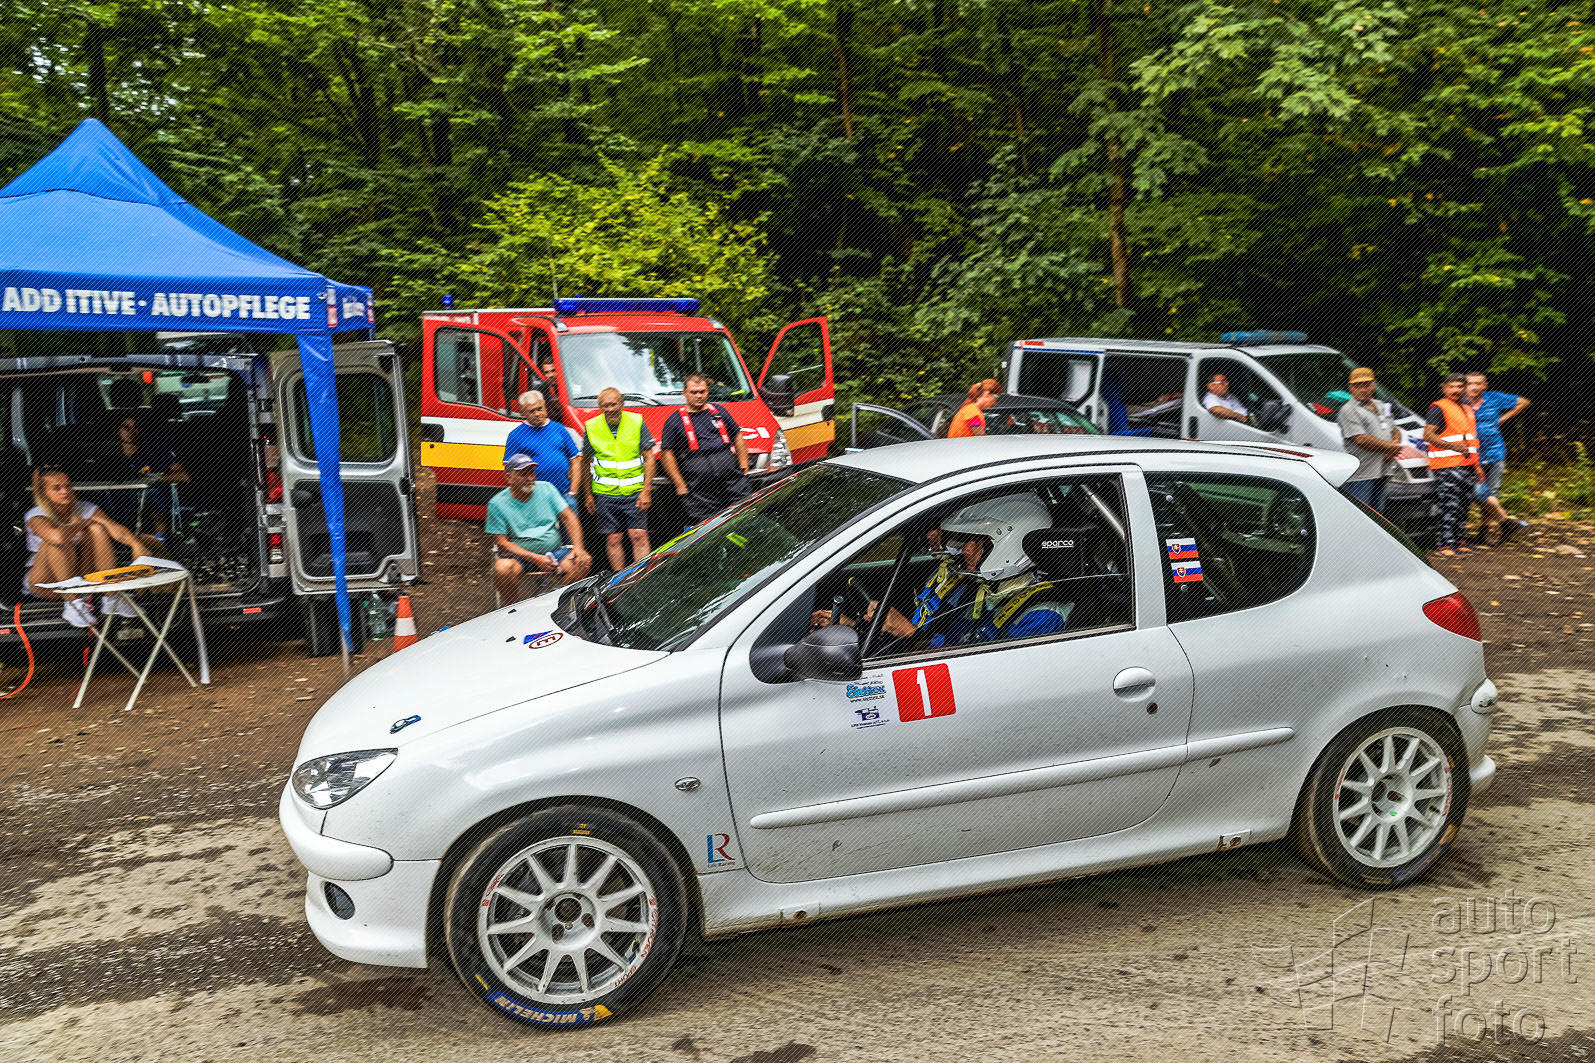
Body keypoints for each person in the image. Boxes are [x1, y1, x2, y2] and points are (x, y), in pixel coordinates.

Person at [811, 494, 1071, 650]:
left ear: (1011, 544)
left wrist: (909, 633)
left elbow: (983, 682)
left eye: (977, 541)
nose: (965, 550)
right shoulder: (974, 588)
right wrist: (856, 630)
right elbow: (939, 642)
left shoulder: (1041, 615)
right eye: (965, 539)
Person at [24, 466, 147, 627]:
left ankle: (111, 597)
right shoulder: (36, 514)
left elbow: (113, 528)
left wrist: (136, 544)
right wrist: (83, 522)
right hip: (45, 582)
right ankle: (73, 605)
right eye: (57, 488)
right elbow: (57, 537)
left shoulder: (84, 507)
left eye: (68, 486)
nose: (65, 491)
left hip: (79, 576)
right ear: (43, 492)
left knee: (97, 528)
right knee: (57, 540)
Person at [486, 454, 591, 603]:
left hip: (554, 553)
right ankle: (514, 609)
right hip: (521, 558)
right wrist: (536, 558)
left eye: (532, 473)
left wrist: (578, 548)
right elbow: (501, 543)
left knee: (583, 561)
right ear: (509, 478)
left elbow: (569, 517)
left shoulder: (547, 488)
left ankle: (555, 603)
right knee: (502, 568)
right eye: (523, 474)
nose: (530, 478)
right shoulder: (497, 503)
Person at [579, 387, 657, 571]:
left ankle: (641, 577)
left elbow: (649, 457)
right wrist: (588, 495)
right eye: (605, 405)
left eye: (613, 404)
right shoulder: (591, 426)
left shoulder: (636, 421)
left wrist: (646, 490)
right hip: (605, 494)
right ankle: (619, 580)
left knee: (639, 535)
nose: (610, 409)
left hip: (635, 492)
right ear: (600, 407)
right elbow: (585, 463)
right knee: (614, 538)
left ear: (622, 404)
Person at [660, 373, 751, 526]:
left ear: (708, 391)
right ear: (684, 393)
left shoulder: (720, 411)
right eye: (694, 392)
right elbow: (666, 454)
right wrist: (680, 485)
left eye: (702, 391)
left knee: (744, 517)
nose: (699, 396)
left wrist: (744, 468)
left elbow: (738, 437)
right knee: (709, 526)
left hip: (733, 481)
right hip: (700, 489)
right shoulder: (674, 420)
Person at [1465, 371, 1531, 544]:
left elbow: (1524, 402)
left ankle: (1483, 533)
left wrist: (1503, 418)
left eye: (1478, 383)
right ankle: (1505, 522)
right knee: (1478, 493)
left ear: (1484, 386)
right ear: (1465, 385)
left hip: (1495, 452)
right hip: (1471, 456)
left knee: (1491, 493)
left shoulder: (1494, 397)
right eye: (1470, 383)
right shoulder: (1460, 402)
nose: (1474, 387)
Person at [1423, 373, 1483, 556]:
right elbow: (1428, 435)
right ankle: (1445, 545)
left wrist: (1477, 466)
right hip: (1447, 466)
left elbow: (1471, 441)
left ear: (1464, 388)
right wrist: (1453, 447)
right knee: (1449, 506)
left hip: (1467, 465)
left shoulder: (1467, 409)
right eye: (1452, 387)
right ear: (1444, 388)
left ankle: (1459, 541)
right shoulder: (1438, 408)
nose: (1456, 390)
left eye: (1459, 386)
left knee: (1463, 506)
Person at [1336, 367, 1402, 512]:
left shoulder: (1380, 405)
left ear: (1373, 385)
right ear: (1350, 388)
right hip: (1362, 474)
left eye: (1366, 385)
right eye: (1357, 386)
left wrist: (1394, 446)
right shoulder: (1348, 410)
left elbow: (1395, 430)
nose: (1362, 389)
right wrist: (1390, 447)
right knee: (1360, 516)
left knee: (1377, 517)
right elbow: (1361, 439)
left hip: (1383, 470)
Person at [502, 390, 581, 501]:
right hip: (533, 498)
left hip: (564, 495)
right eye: (532, 411)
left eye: (539, 409)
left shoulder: (559, 429)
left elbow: (575, 460)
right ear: (523, 413)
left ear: (545, 407)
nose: (537, 414)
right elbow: (509, 469)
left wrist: (573, 492)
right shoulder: (516, 435)